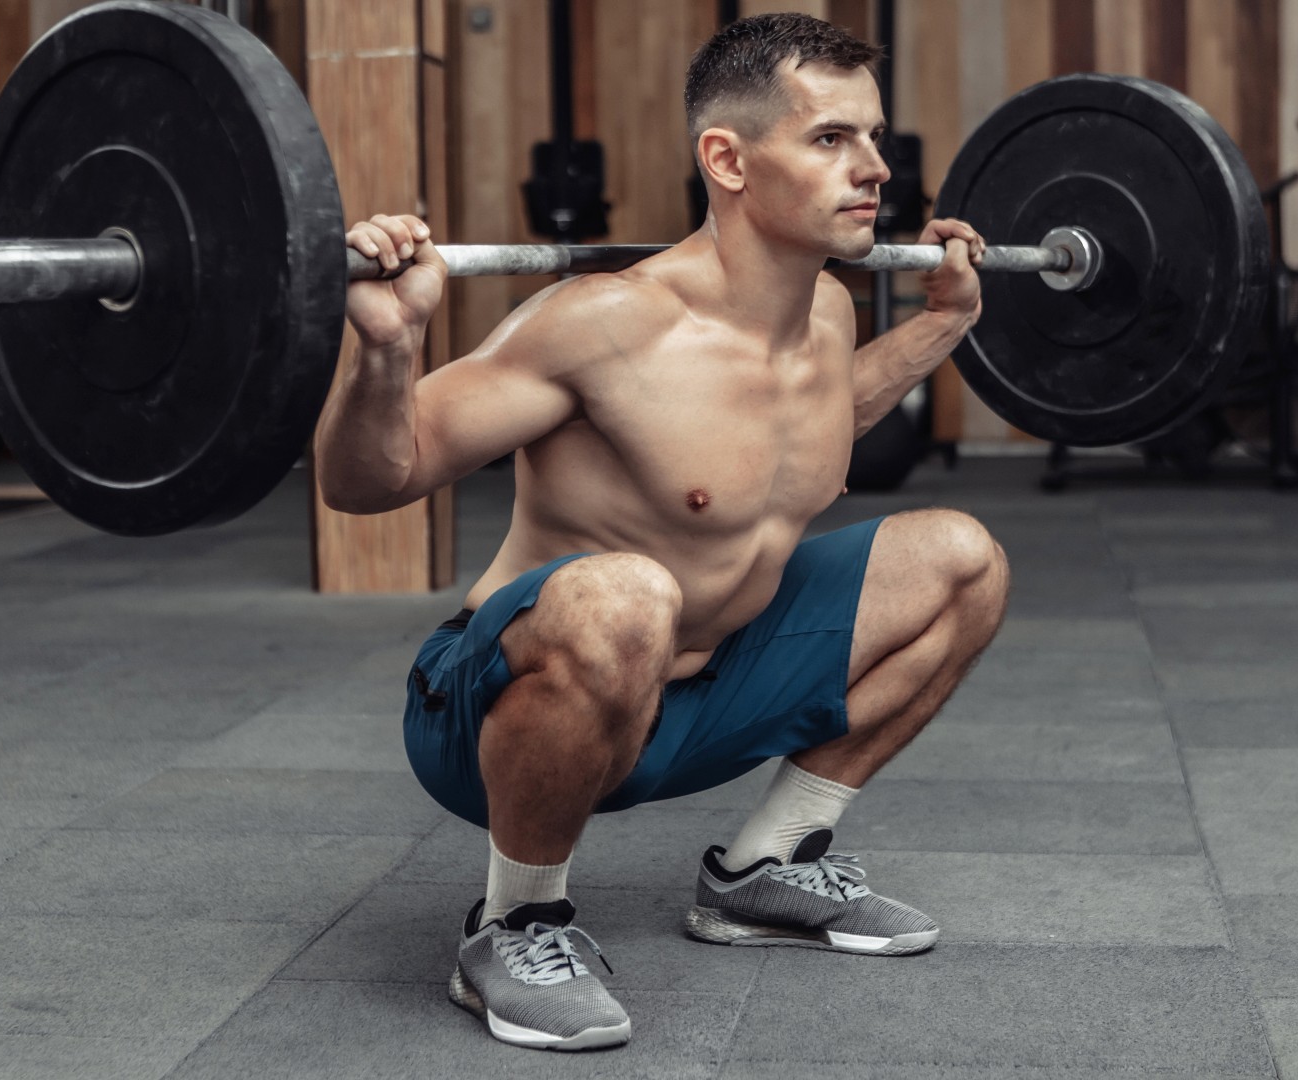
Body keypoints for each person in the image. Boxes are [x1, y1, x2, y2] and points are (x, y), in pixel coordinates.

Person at [315, 12, 1009, 1052]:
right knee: (629, 592)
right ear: (726, 160)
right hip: (503, 718)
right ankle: (515, 919)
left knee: (962, 559)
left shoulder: (826, 315)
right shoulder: (599, 324)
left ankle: (763, 872)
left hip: (693, 694)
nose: (873, 168)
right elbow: (372, 481)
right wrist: (382, 353)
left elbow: (790, 434)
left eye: (872, 136)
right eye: (830, 139)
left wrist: (939, 327)